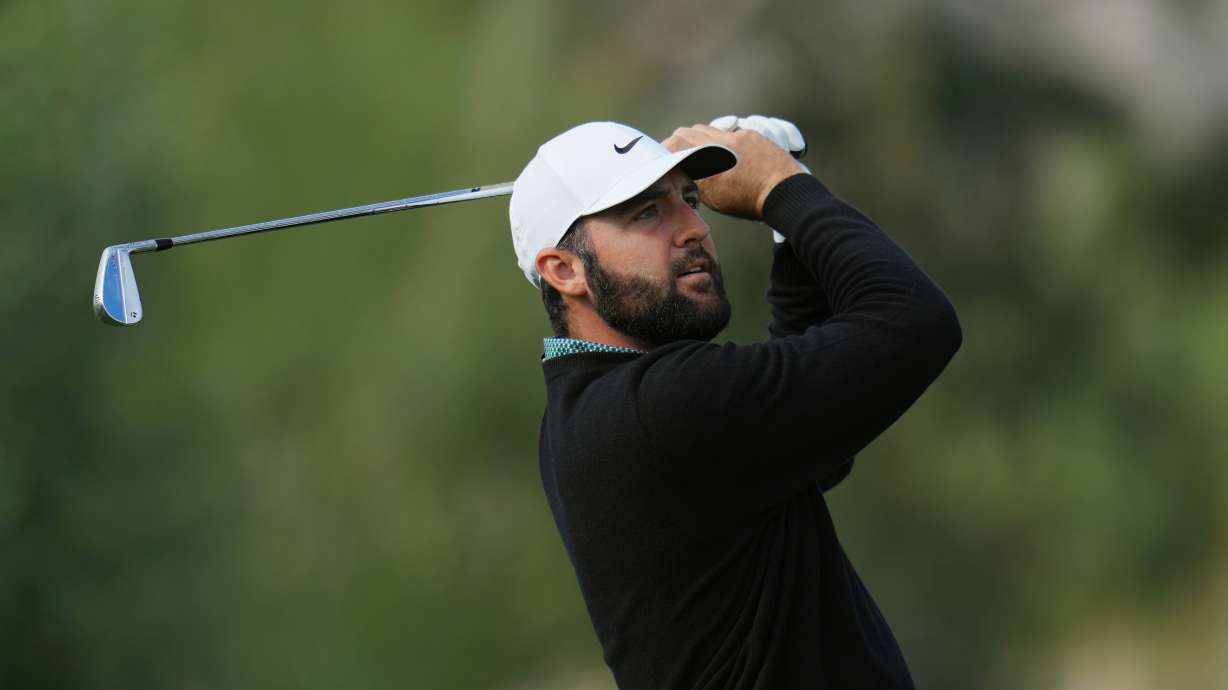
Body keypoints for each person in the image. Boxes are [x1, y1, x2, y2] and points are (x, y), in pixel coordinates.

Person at [507, 117, 962, 690]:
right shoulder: (659, 407)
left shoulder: (595, 409)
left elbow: (815, 443)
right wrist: (781, 187)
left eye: (688, 199)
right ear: (564, 270)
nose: (694, 228)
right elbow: (914, 322)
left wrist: (789, 230)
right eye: (647, 212)